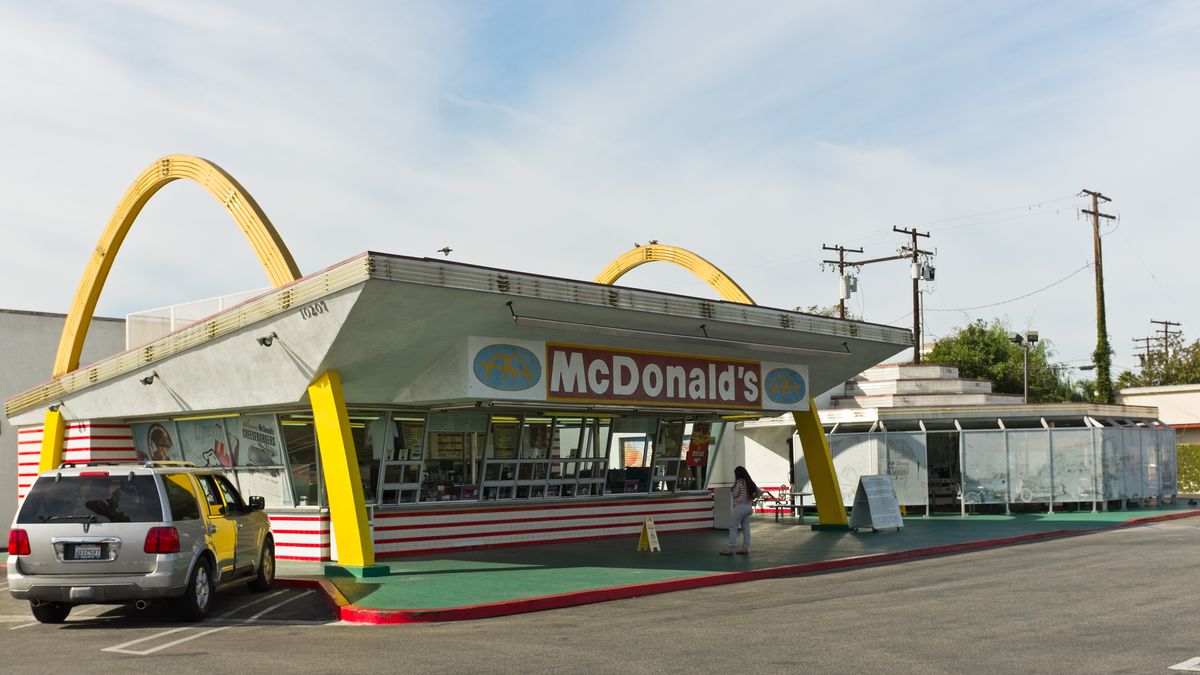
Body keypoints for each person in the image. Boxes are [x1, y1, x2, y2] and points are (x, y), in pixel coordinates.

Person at [721, 465, 759, 555]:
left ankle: (730, 548)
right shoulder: (749, 482)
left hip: (739, 507)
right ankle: (745, 548)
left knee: (733, 527)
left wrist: (732, 488)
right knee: (746, 528)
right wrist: (751, 499)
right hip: (748, 507)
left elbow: (734, 493)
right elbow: (759, 492)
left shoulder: (739, 482)